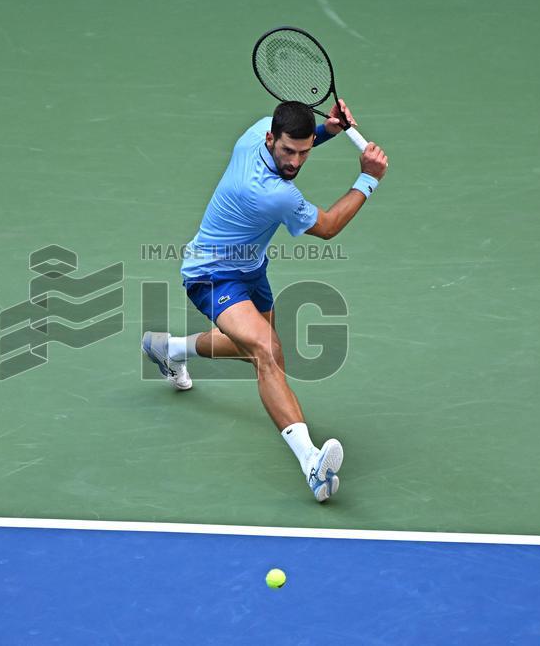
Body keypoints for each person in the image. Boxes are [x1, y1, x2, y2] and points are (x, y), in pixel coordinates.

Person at [142, 99, 388, 502]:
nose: (295, 161)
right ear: (272, 138)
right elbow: (326, 227)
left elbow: (299, 143)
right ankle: (312, 464)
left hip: (251, 267)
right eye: (288, 151)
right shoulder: (273, 195)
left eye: (305, 151)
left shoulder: (259, 128)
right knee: (267, 352)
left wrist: (330, 130)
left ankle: (168, 348)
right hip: (211, 275)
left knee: (259, 352)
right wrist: (368, 179)